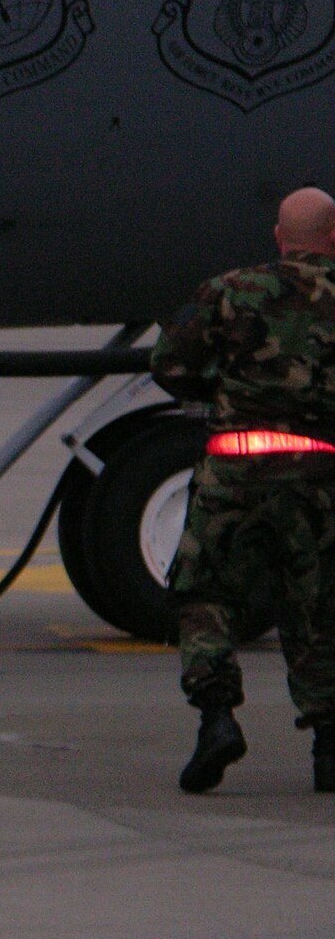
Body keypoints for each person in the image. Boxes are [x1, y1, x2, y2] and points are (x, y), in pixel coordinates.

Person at [151, 186, 335, 796]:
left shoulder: (228, 290)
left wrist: (226, 391)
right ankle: (329, 743)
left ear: (280, 238)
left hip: (235, 462)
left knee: (206, 594)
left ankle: (216, 718)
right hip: (318, 467)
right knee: (318, 604)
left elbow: (169, 366)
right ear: (334, 238)